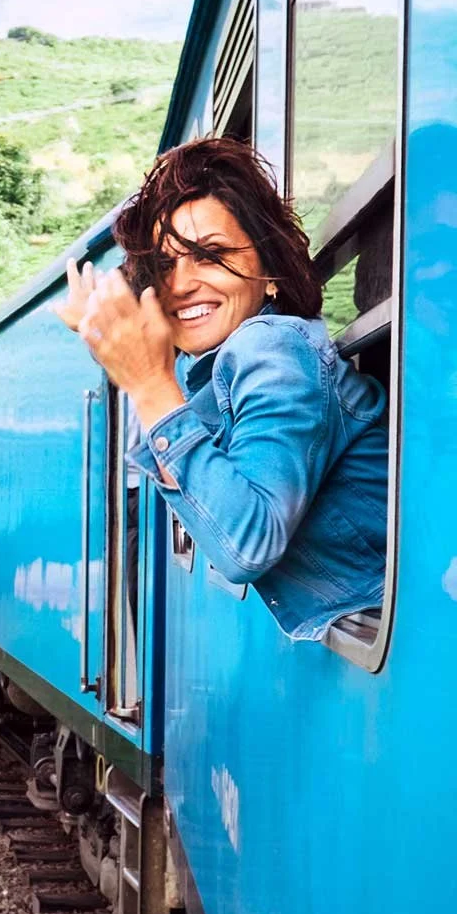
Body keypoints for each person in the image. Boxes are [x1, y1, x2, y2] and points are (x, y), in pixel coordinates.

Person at [55, 137, 388, 640]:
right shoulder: (227, 367)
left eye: (210, 255)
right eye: (166, 266)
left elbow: (246, 544)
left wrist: (147, 382)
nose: (182, 284)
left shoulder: (271, 346)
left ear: (270, 273)